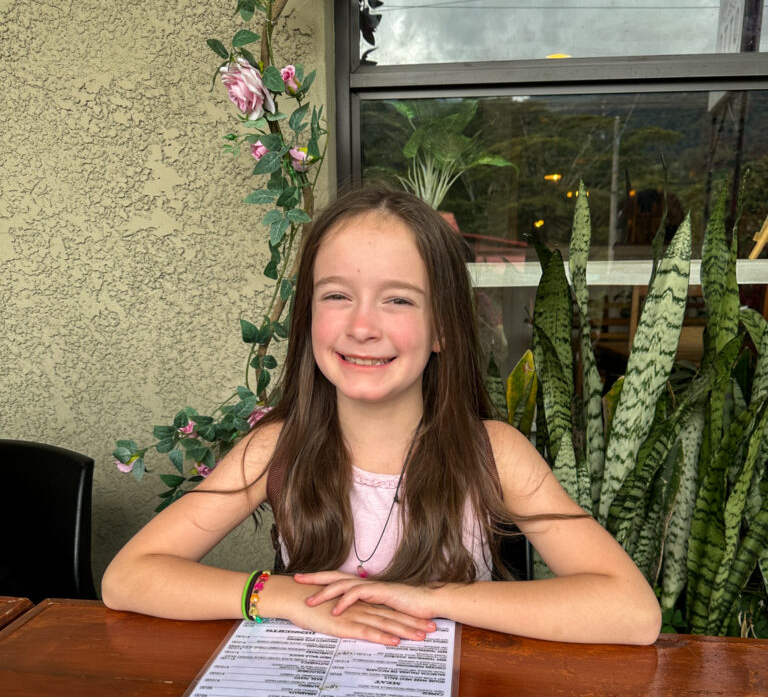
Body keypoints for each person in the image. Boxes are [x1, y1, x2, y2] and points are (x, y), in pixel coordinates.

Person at [102, 187, 661, 647]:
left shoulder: (494, 453)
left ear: (442, 328)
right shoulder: (275, 449)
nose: (362, 326)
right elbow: (129, 577)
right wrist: (284, 596)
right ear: (309, 318)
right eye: (337, 296)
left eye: (398, 300)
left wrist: (430, 598)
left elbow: (631, 611)